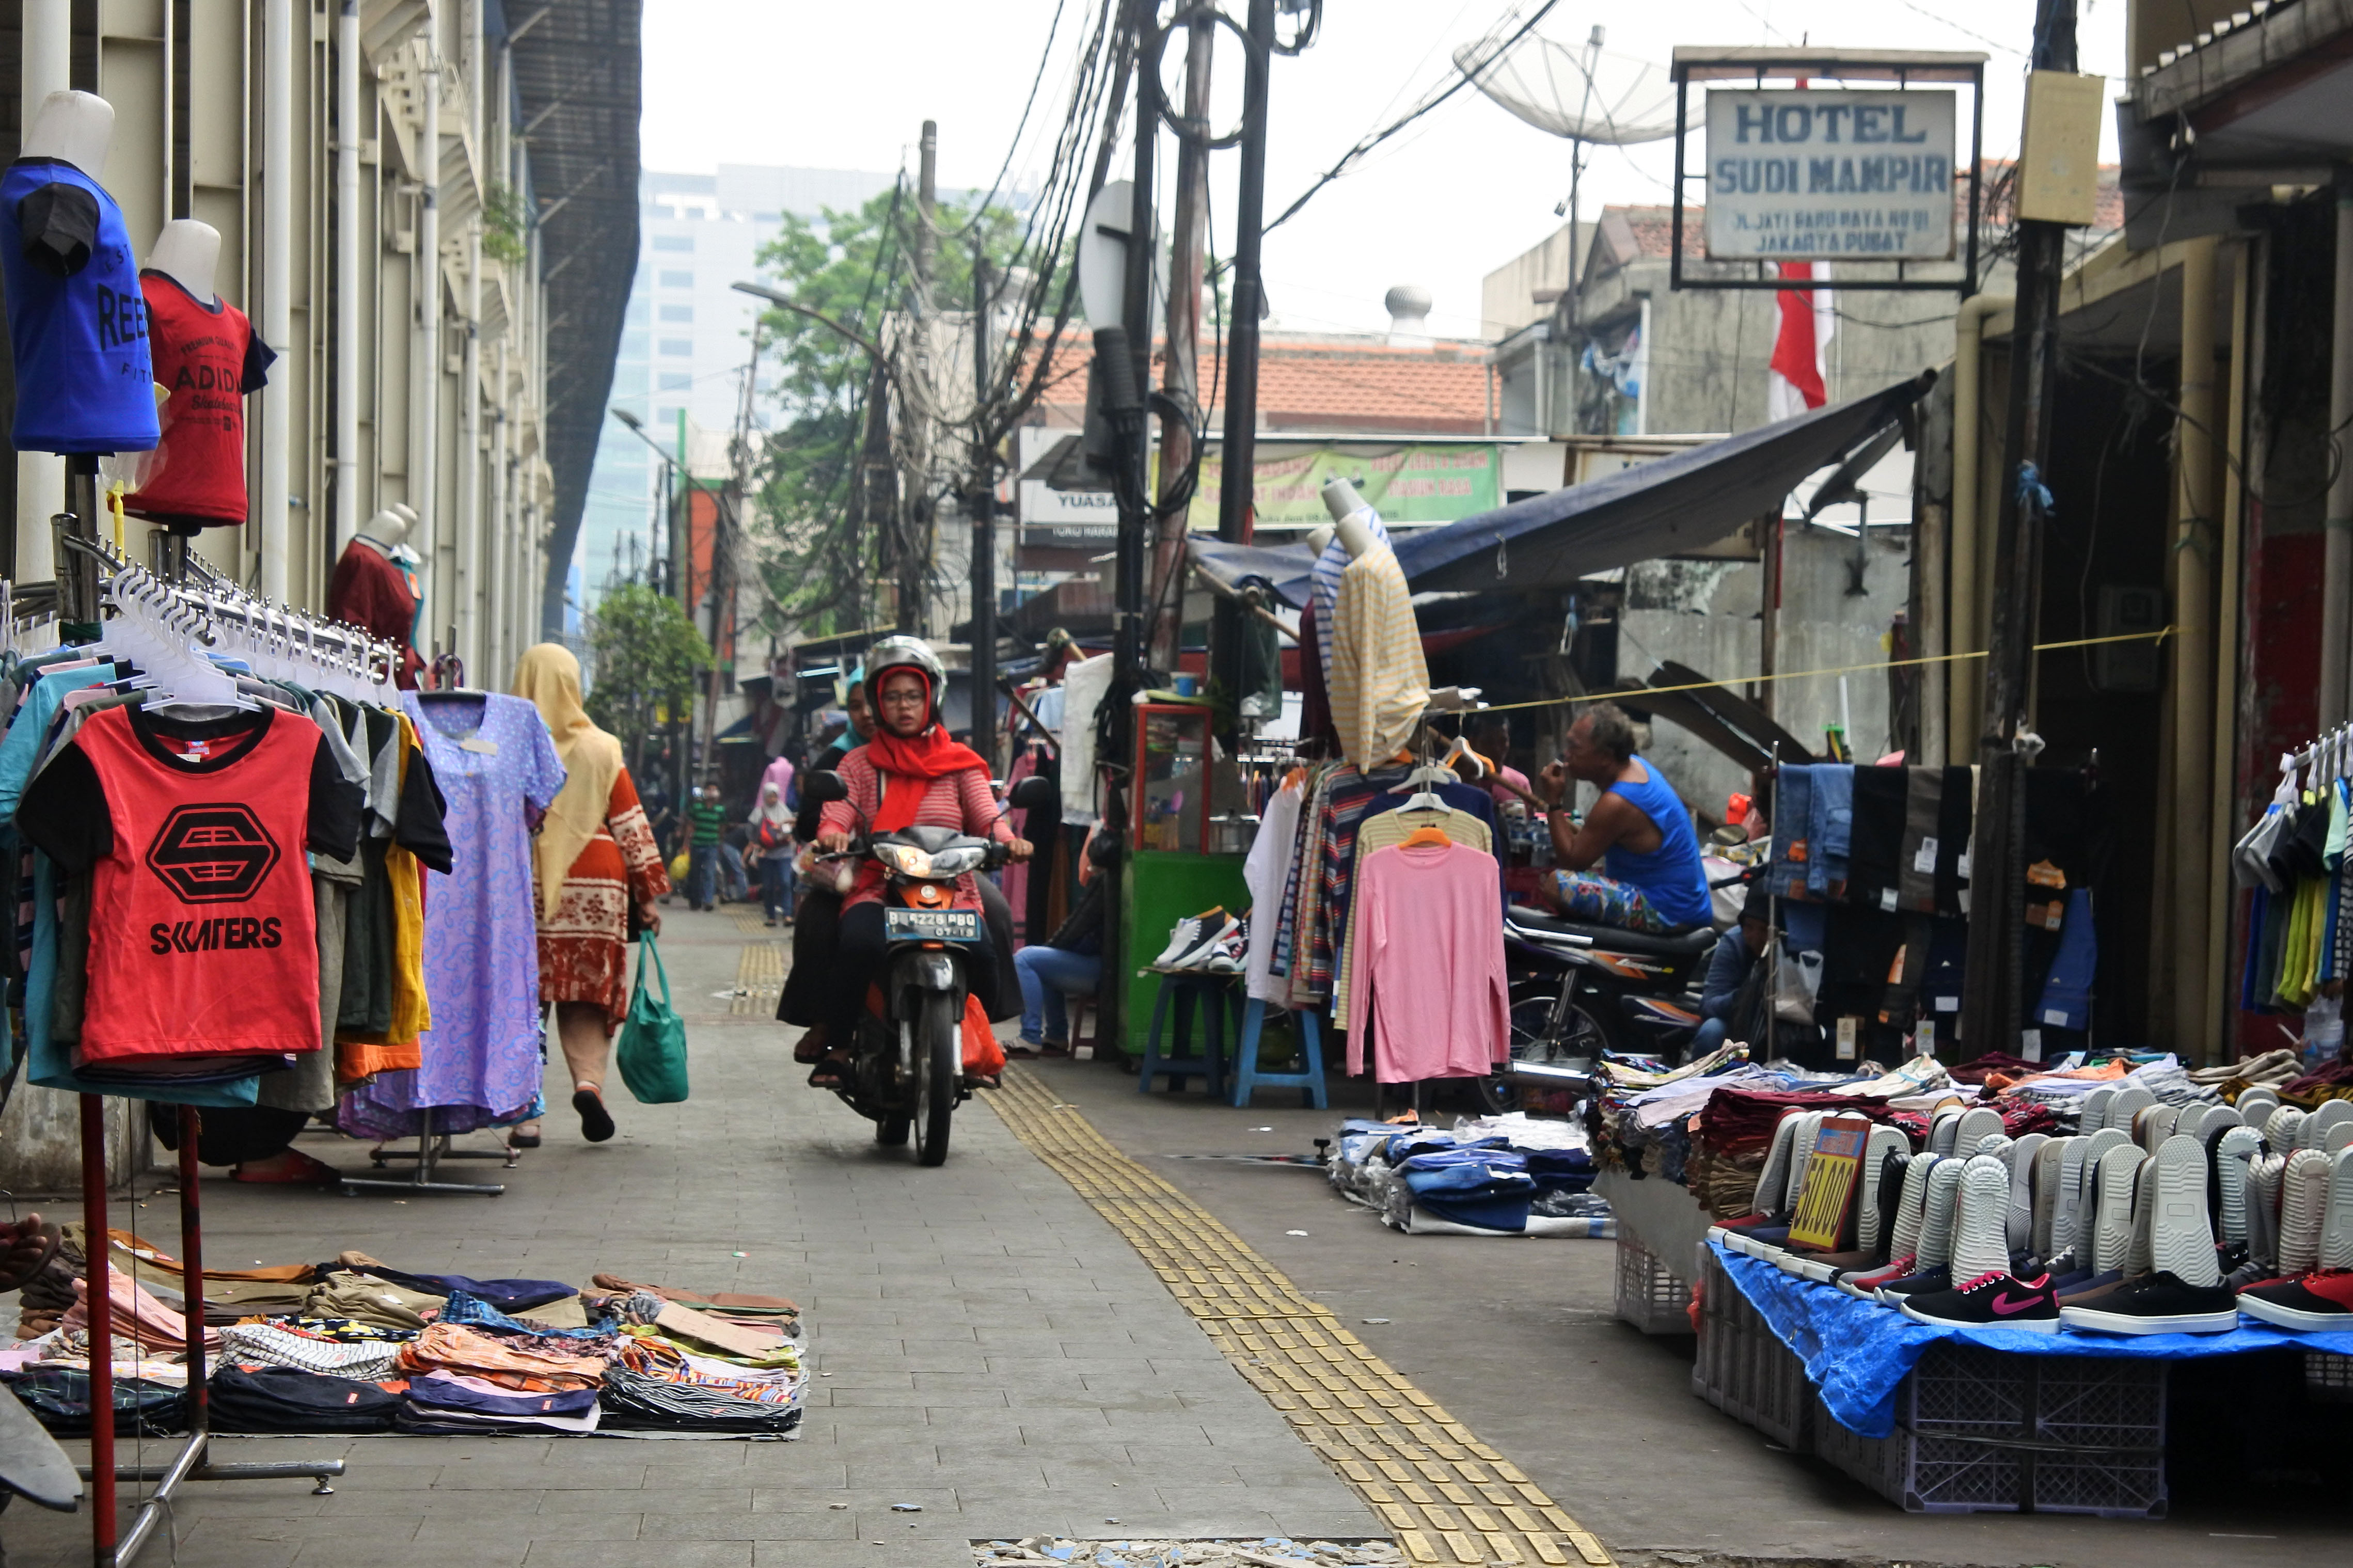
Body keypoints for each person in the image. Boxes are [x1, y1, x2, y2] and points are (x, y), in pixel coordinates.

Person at [809, 637, 1031, 1087]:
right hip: (880, 883)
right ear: (877, 703)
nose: (903, 706)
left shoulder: (961, 764)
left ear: (931, 698)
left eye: (913, 696)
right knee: (857, 945)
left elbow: (988, 818)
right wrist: (832, 831)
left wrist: (1009, 839)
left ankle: (976, 1039)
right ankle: (839, 1042)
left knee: (985, 954)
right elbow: (838, 811)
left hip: (951, 886)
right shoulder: (857, 763)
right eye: (892, 697)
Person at [507, 644, 669, 1146]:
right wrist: (648, 894)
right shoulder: (603, 747)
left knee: (524, 1002)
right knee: (587, 997)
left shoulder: (508, 744)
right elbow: (629, 823)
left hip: (525, 884)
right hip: (597, 885)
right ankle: (588, 1085)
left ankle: (525, 1116)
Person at [1533, 701, 1711, 932]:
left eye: (1574, 747)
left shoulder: (1618, 802)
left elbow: (1571, 862)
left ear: (1606, 756)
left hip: (1667, 910)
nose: (1566, 755)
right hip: (1684, 904)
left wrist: (1554, 801)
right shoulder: (1637, 767)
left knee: (1558, 886)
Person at [777, 672, 878, 1052]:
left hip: (921, 868)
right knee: (818, 921)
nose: (866, 713)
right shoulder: (839, 758)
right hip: (856, 869)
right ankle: (826, 1022)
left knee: (989, 912)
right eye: (855, 706)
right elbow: (809, 821)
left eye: (872, 701)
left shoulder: (935, 752)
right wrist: (835, 833)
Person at [1010, 826, 1117, 1057]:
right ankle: (1056, 1036)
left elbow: (1075, 927)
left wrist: (1050, 948)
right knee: (1043, 960)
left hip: (1101, 969)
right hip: (1106, 965)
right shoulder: (1117, 881)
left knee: (1025, 959)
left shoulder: (1104, 883)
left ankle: (1030, 1036)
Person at [750, 781, 795, 926]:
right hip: (767, 854)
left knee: (785, 883)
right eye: (770, 796)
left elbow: (791, 827)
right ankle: (771, 917)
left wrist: (785, 831)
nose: (772, 799)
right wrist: (756, 843)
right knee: (768, 886)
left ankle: (788, 915)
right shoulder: (759, 812)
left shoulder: (784, 810)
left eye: (775, 796)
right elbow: (751, 831)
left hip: (784, 853)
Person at [685, 782, 726, 910]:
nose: (712, 792)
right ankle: (695, 900)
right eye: (709, 789)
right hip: (697, 844)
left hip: (712, 845)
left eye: (715, 789)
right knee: (695, 873)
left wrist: (720, 842)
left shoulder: (720, 810)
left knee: (710, 873)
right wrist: (686, 843)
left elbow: (722, 827)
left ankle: (708, 901)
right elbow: (690, 825)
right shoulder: (696, 808)